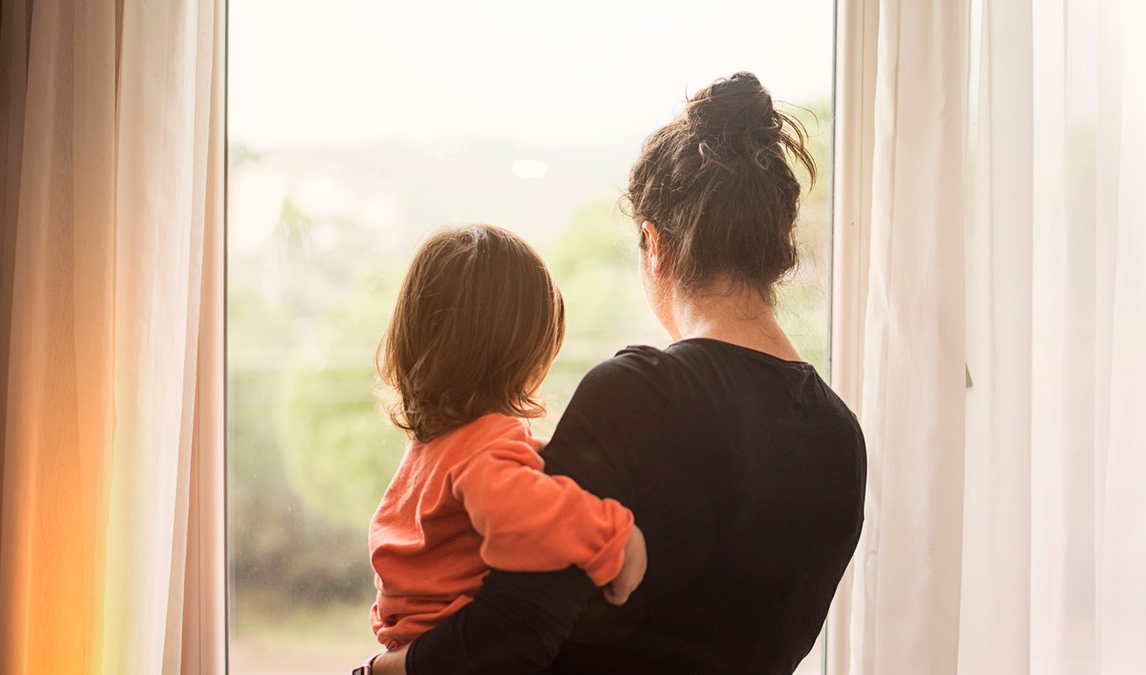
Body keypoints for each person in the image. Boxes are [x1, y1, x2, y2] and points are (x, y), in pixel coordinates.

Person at [369, 71, 867, 675]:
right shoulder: (841, 437)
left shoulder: (641, 393)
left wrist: (375, 670)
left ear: (655, 245)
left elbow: (507, 641)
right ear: (774, 247)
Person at [360, 225, 648, 667]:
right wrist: (614, 536)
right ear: (523, 356)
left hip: (409, 649)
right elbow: (528, 518)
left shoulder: (434, 445)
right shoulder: (485, 448)